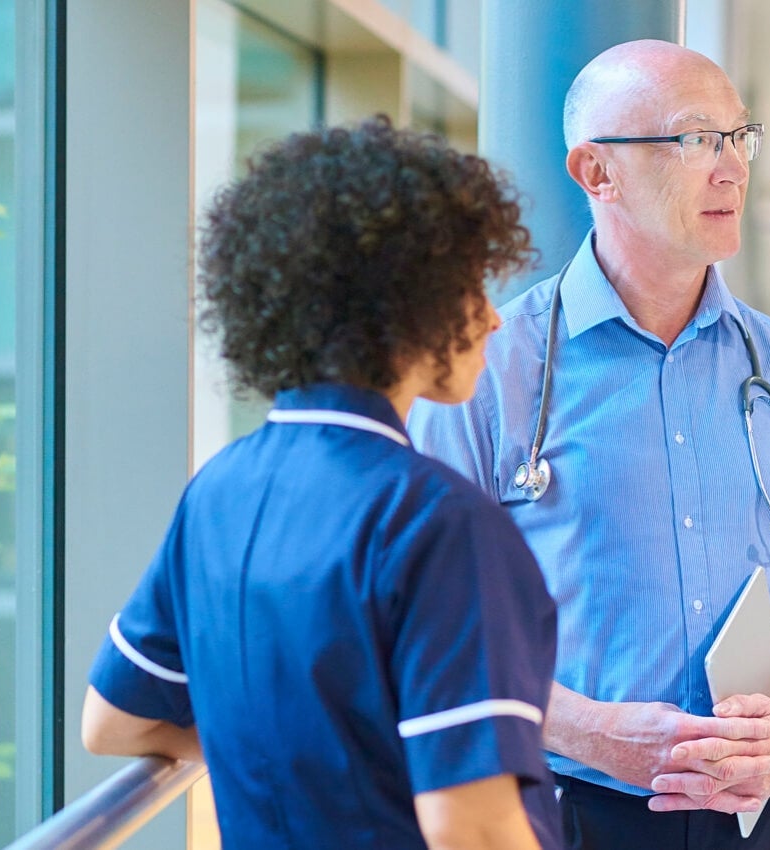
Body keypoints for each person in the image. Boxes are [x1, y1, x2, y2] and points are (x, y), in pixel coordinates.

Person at [408, 40, 770, 850]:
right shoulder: (488, 369)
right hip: (562, 807)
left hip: (761, 815)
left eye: (738, 138)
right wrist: (586, 730)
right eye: (695, 141)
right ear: (595, 172)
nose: (731, 169)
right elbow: (428, 631)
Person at [81, 117, 561, 849]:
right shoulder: (436, 522)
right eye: (470, 287)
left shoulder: (217, 494)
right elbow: (473, 829)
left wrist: (303, 755)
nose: (494, 317)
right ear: (406, 302)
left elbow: (115, 722)